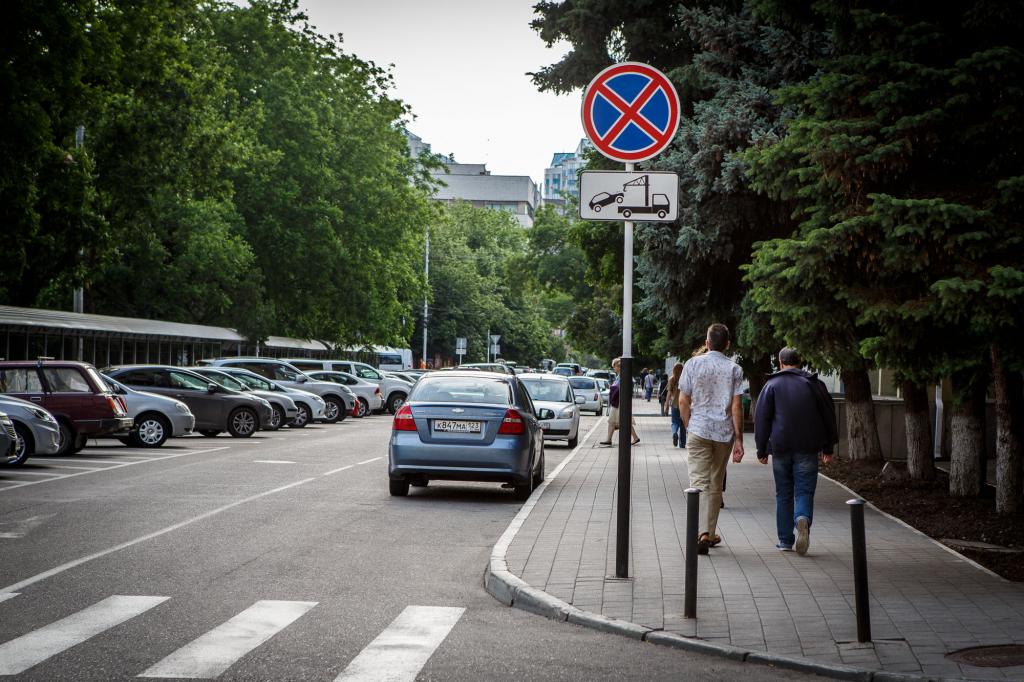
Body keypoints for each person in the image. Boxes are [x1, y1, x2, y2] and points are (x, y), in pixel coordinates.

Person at [755, 347, 838, 555]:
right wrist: (828, 447)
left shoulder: (771, 384)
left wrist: (761, 449)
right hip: (808, 448)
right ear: (800, 362)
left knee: (783, 493)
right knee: (804, 491)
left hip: (781, 448)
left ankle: (785, 540)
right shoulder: (814, 384)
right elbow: (829, 416)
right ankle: (802, 518)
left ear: (780, 362)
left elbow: (762, 419)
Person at [678, 323, 745, 554]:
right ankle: (710, 531)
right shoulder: (734, 369)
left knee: (698, 482)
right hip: (723, 433)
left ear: (707, 343)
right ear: (727, 344)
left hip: (698, 429)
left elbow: (682, 401)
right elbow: (737, 406)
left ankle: (702, 533)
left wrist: (689, 426)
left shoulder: (692, 364)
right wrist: (739, 440)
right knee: (716, 483)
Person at [599, 357, 639, 446]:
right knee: (622, 421)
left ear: (619, 366)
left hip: (619, 402)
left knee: (614, 421)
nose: (613, 368)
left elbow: (622, 388)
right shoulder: (619, 377)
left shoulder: (623, 376)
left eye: (614, 366)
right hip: (618, 402)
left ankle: (609, 440)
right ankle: (634, 437)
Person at [661, 362, 685, 447]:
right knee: (683, 424)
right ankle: (682, 444)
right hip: (684, 404)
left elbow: (669, 394)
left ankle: (675, 433)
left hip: (674, 404)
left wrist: (666, 406)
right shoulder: (685, 378)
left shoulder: (672, 379)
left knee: (674, 422)